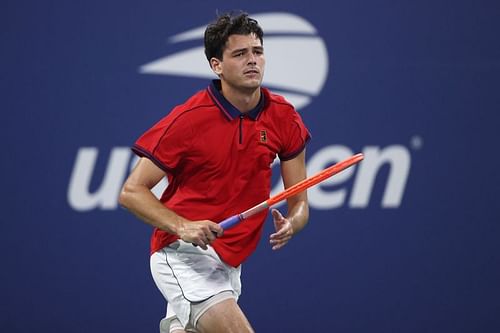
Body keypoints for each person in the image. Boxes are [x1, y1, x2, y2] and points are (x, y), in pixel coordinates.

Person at [119, 11, 311, 333]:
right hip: (182, 254)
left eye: (257, 52)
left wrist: (293, 223)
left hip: (229, 264)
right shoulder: (189, 119)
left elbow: (300, 202)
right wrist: (184, 226)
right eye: (240, 54)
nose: (252, 61)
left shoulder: (284, 118)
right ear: (216, 65)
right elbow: (131, 192)